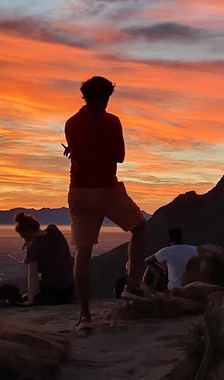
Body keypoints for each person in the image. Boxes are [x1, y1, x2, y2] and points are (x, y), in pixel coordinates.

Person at [63, 76, 148, 330]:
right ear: (106, 97)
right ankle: (132, 286)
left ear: (84, 96)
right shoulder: (112, 122)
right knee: (139, 228)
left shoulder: (71, 123)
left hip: (78, 191)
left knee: (83, 251)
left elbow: (78, 149)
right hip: (106, 189)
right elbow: (120, 157)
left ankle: (85, 316)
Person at [14, 213, 74, 305]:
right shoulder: (53, 230)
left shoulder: (33, 247)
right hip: (69, 288)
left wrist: (30, 298)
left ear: (28, 232)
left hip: (52, 291)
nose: (24, 240)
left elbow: (32, 274)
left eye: (24, 237)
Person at [143, 228, 198, 293]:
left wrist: (161, 270)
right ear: (182, 237)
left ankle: (146, 288)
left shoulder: (167, 251)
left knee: (150, 266)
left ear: (170, 239)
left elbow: (147, 261)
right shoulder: (194, 249)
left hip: (174, 288)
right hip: (191, 286)